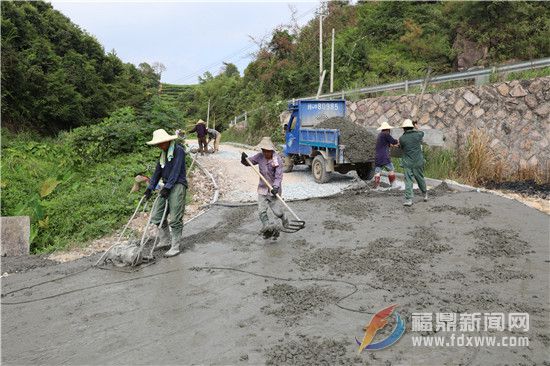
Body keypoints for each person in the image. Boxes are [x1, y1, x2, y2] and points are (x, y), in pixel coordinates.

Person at [144, 129, 188, 257]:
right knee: (157, 216)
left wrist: (168, 187)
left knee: (175, 218)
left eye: (161, 143)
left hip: (178, 185)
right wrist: (150, 188)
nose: (160, 146)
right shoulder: (163, 154)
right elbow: (157, 172)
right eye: (158, 144)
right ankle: (165, 240)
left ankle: (175, 245)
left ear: (168, 141)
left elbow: (176, 171)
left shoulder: (178, 150)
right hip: (166, 185)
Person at [240, 137, 289, 239]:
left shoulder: (277, 159)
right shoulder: (259, 157)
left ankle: (284, 218)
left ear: (272, 150)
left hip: (274, 190)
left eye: (268, 151)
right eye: (264, 151)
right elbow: (249, 162)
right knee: (261, 211)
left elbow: (279, 176)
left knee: (277, 212)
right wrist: (244, 159)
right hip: (262, 188)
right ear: (262, 150)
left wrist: (275, 187)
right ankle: (267, 228)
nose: (266, 153)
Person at [398, 119, 428, 206]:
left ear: (404, 128)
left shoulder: (402, 138)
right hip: (418, 161)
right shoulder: (418, 135)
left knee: (408, 180)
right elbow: (422, 133)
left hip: (408, 162)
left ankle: (409, 200)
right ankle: (425, 194)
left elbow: (401, 147)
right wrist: (416, 127)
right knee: (420, 178)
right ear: (412, 127)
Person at [374, 121, 399, 189]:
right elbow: (393, 141)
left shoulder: (380, 135)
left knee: (378, 171)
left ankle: (377, 186)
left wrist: (392, 145)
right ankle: (393, 185)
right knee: (391, 169)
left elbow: (386, 144)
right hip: (384, 156)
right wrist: (398, 141)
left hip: (377, 156)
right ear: (388, 129)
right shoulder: (386, 134)